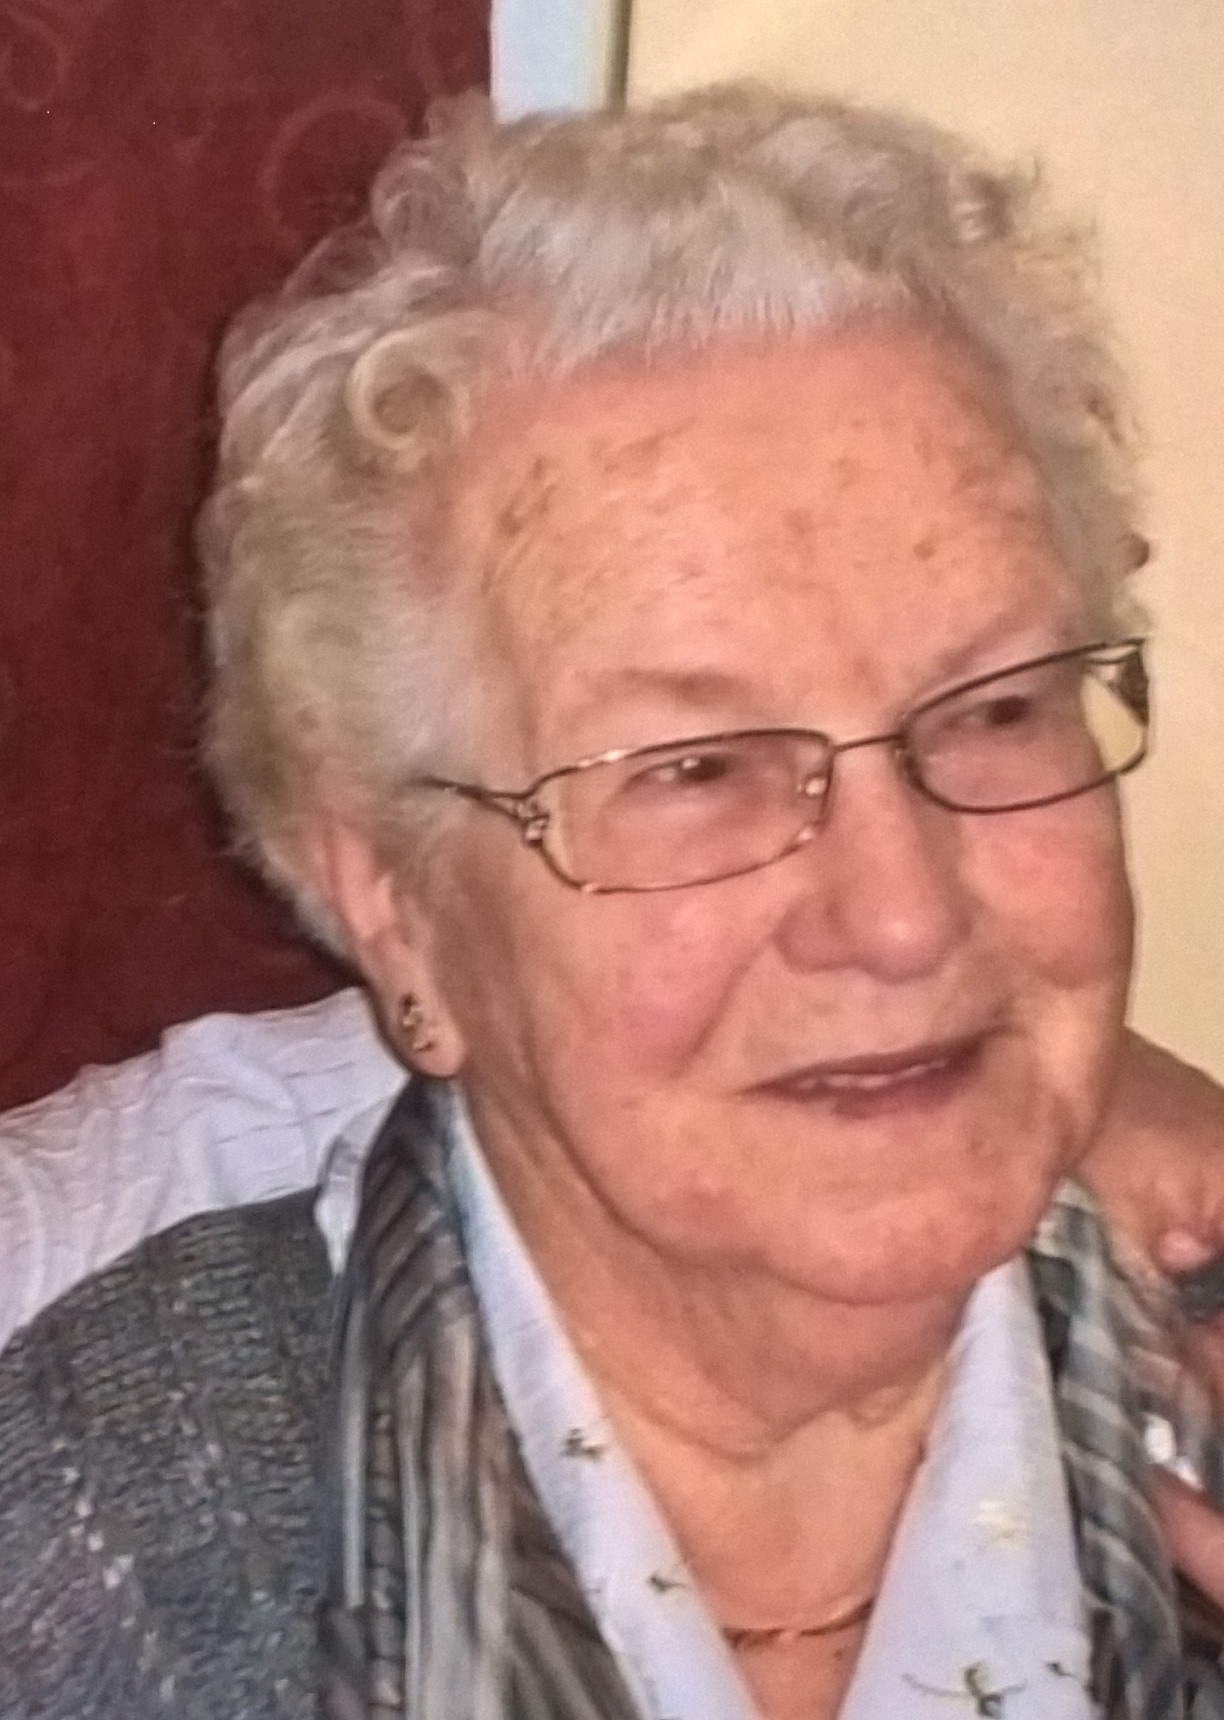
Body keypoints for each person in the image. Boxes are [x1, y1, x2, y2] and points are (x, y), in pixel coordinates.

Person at [3, 81, 1224, 1720]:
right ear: (394, 901)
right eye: (695, 770)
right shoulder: (78, 1534)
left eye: (996, 709)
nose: (905, 918)